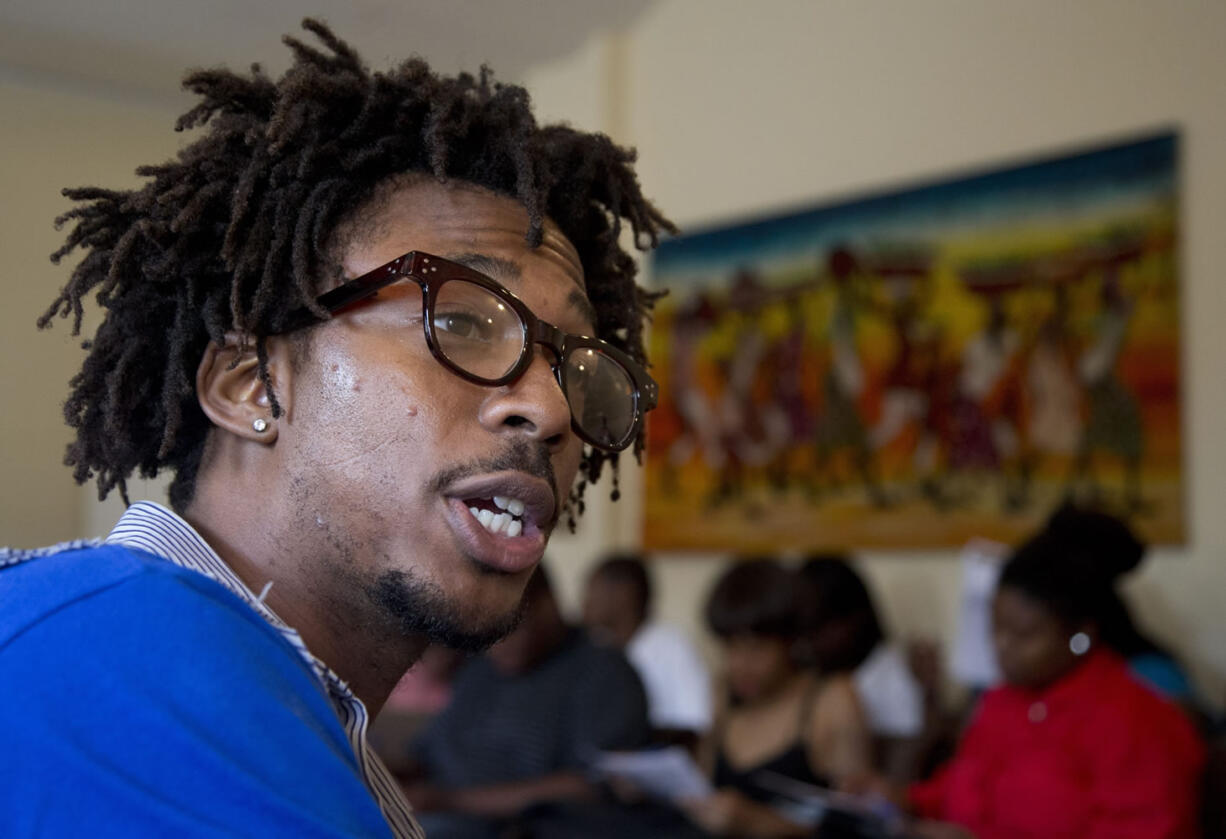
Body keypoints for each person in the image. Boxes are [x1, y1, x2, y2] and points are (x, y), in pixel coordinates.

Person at [0, 19, 671, 837]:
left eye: (579, 366)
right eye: (460, 323)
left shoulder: (284, 713)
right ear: (250, 385)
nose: (554, 408)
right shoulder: (112, 662)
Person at [884, 504, 1206, 839]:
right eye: (995, 628)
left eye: (1023, 635)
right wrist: (900, 800)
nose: (1002, 647)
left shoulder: (1133, 718)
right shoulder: (1002, 701)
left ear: (1080, 636)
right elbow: (964, 788)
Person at [406, 565, 692, 839]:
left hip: (517, 828)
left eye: (505, 625)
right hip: (439, 813)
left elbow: (592, 786)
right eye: (482, 629)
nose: (495, 642)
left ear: (548, 605)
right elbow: (427, 753)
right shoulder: (479, 670)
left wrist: (450, 801)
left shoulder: (604, 672)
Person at [684, 559, 872, 838]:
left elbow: (862, 826)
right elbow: (702, 790)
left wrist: (760, 823)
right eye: (730, 647)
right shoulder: (722, 693)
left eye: (756, 649)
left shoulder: (831, 701)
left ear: (790, 641)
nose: (740, 665)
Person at [797, 555, 926, 781]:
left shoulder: (894, 680)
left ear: (857, 618)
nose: (809, 642)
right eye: (803, 630)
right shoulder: (810, 673)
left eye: (820, 628)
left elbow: (897, 776)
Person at [582, 552, 714, 747]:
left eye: (593, 589)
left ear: (624, 594)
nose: (585, 601)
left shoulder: (671, 647)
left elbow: (694, 725)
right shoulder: (596, 645)